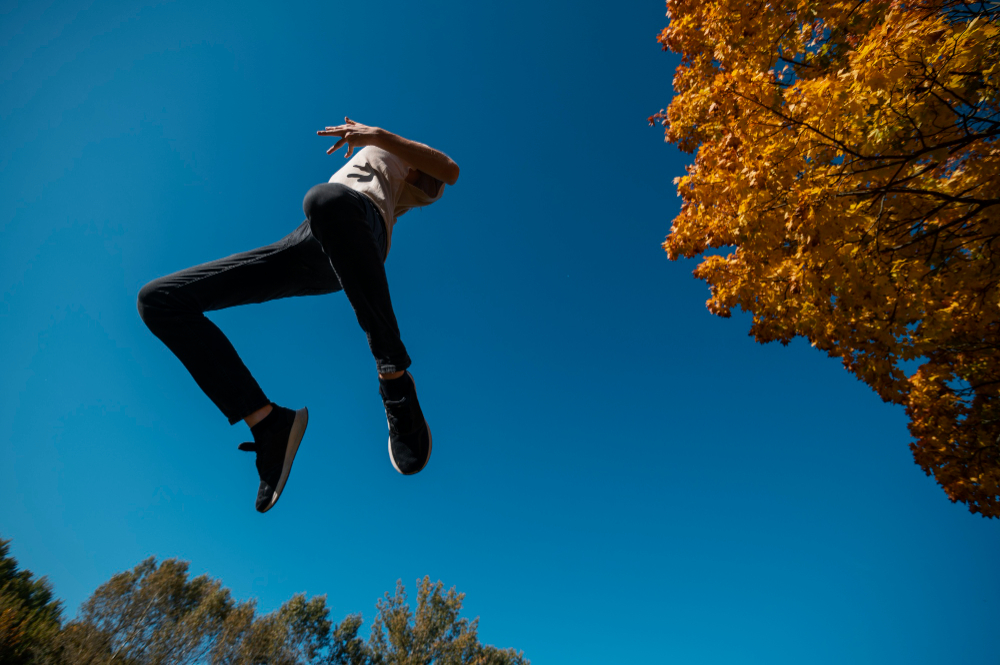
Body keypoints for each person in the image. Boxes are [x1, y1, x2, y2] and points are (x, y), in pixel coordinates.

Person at [137, 118, 460, 513]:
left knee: (325, 199)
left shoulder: (410, 174)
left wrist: (377, 135)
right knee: (158, 300)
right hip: (309, 238)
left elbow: (449, 170)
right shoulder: (361, 167)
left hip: (362, 225)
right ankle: (268, 424)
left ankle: (395, 380)